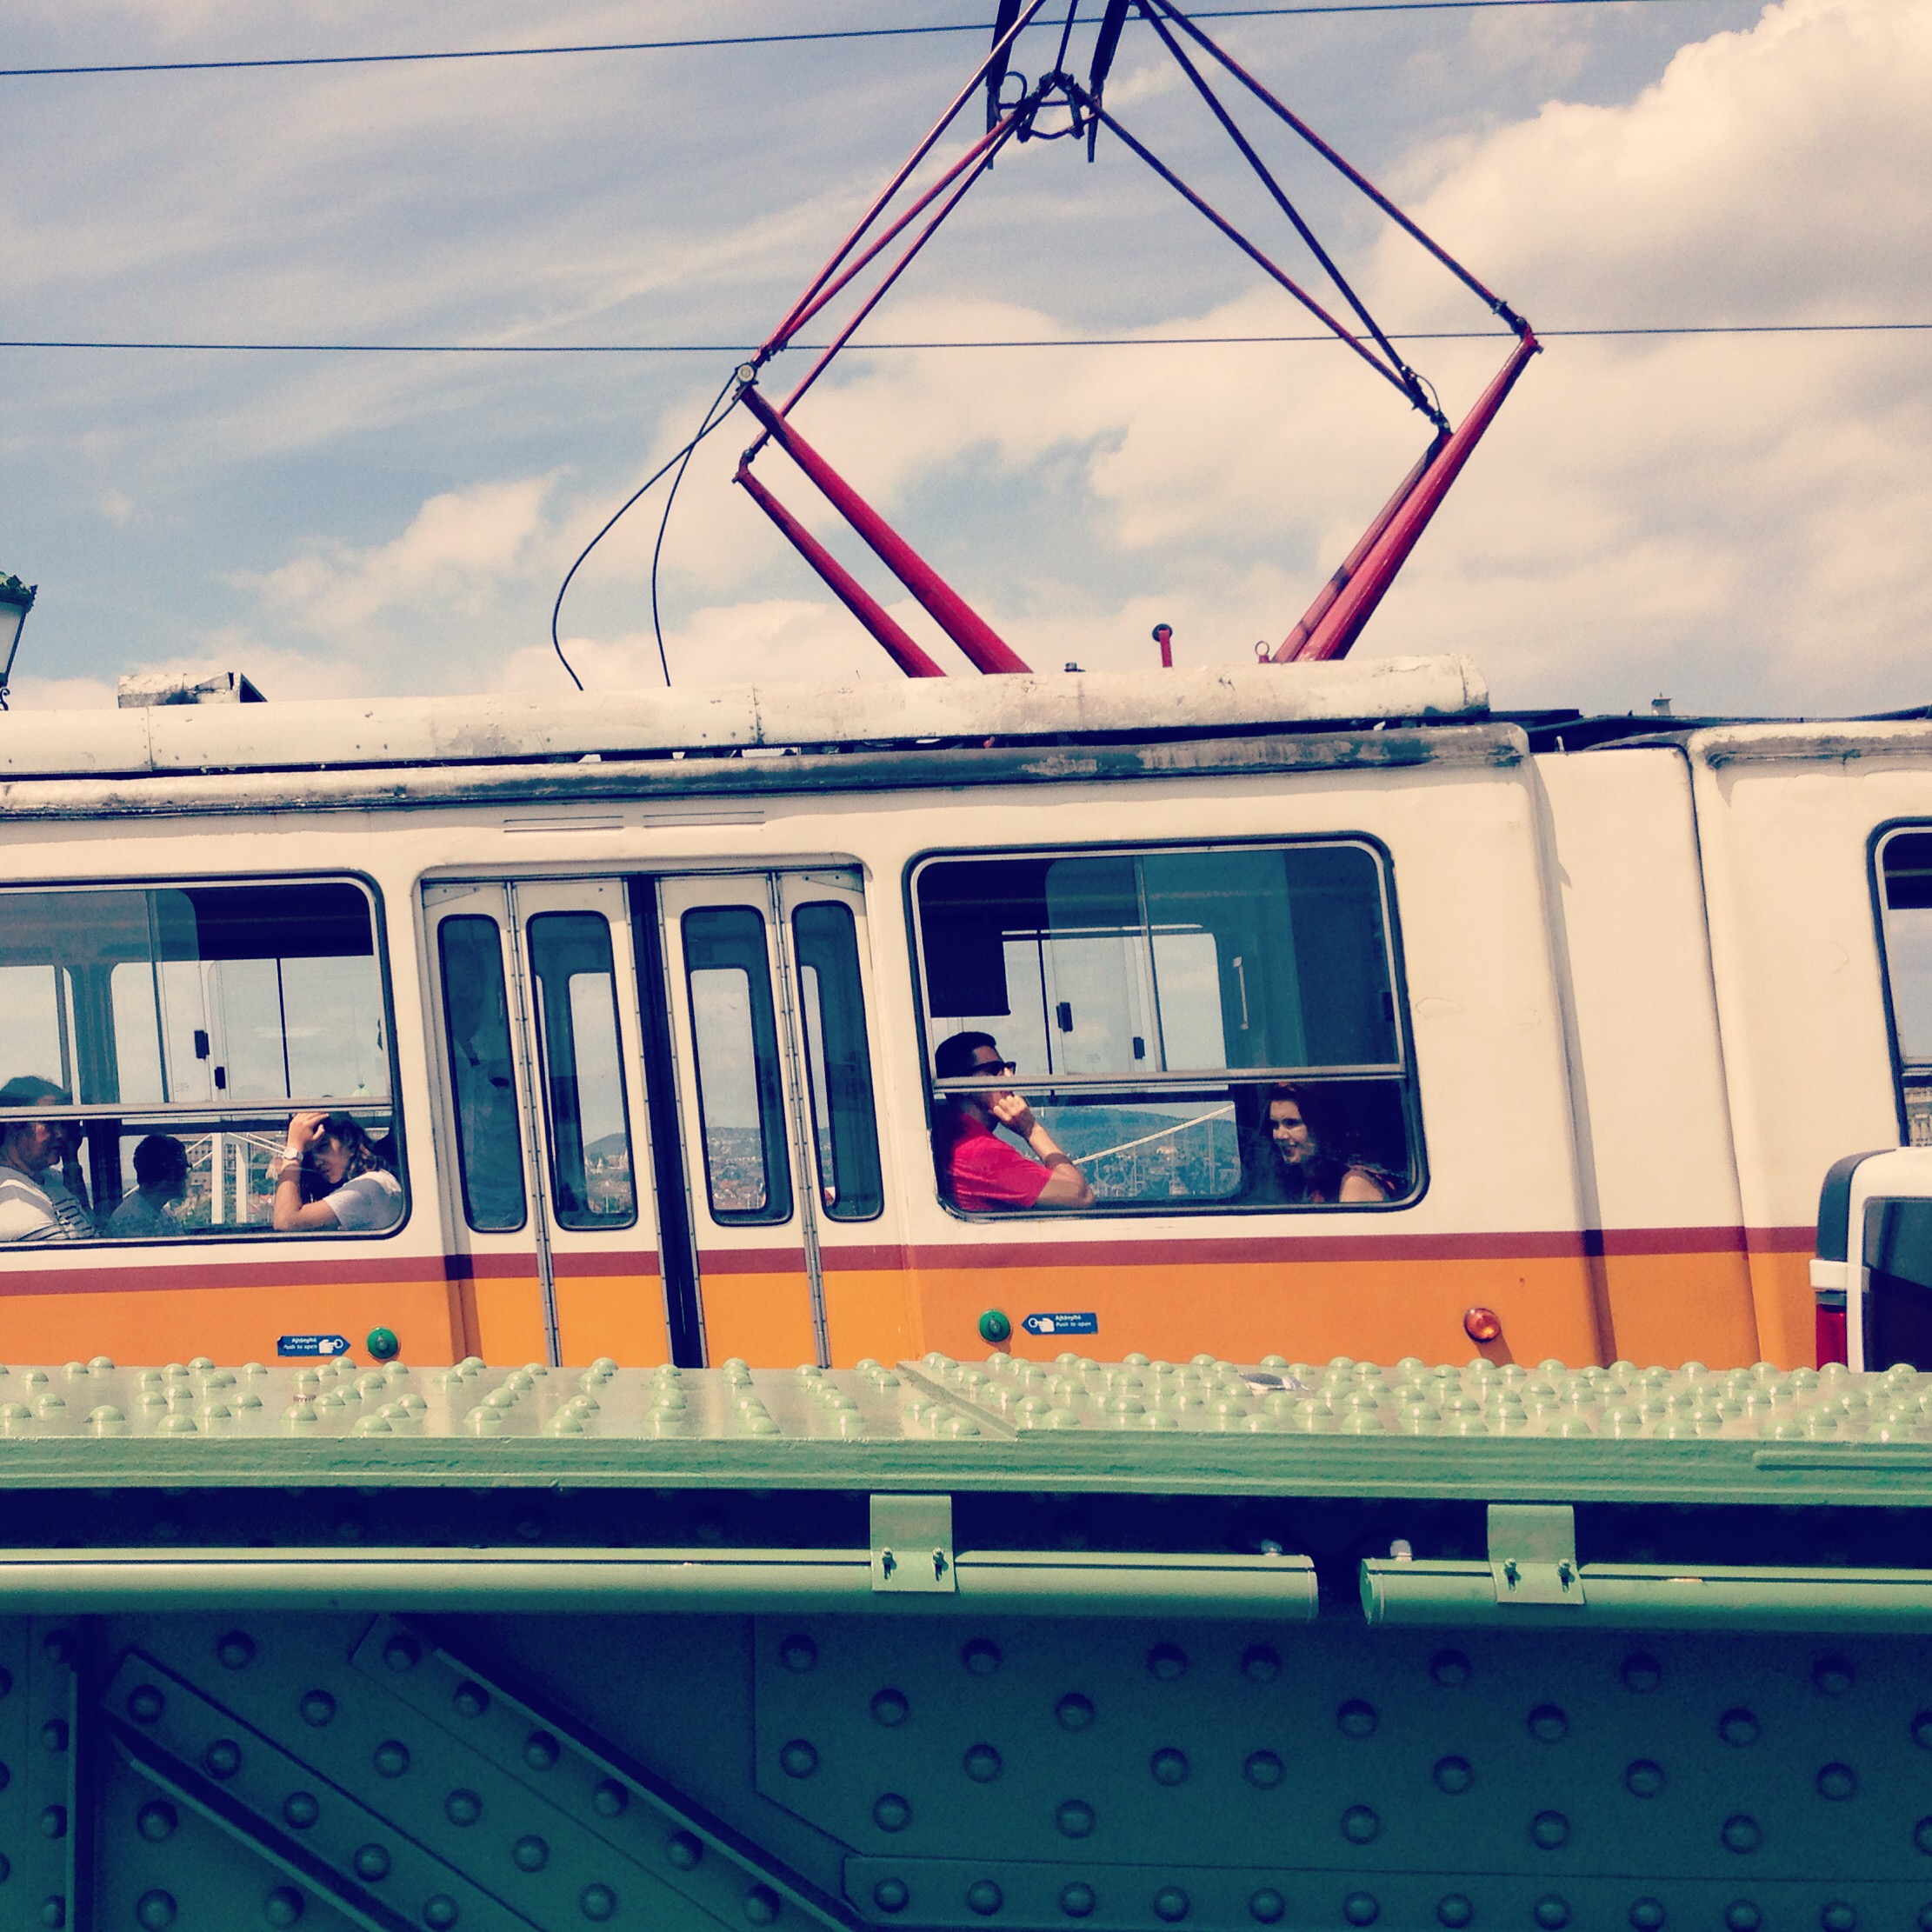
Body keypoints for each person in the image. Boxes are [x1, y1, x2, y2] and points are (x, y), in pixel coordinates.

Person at [933, 1032, 1094, 1212]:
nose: (1009, 1077)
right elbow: (1081, 1196)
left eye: (1008, 1067)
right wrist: (1031, 1129)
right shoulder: (979, 1153)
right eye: (995, 1070)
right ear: (962, 1085)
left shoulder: (950, 1134)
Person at [270, 1109, 403, 1233]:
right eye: (309, 1157)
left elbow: (285, 1222)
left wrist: (293, 1149)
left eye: (323, 1147)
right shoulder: (374, 1182)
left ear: (347, 1139)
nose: (317, 1163)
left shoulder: (369, 1187)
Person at [0, 1075, 97, 1242]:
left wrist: (71, 1158)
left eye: (63, 1124)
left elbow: (88, 1223)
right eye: (49, 1123)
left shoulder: (50, 1180)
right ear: (14, 1125)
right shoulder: (16, 1203)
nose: (61, 1134)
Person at [1266, 1083, 1394, 1204]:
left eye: (1291, 1123)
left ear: (1321, 1127)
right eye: (1275, 1125)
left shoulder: (1355, 1183)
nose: (1279, 1136)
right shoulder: (1305, 1183)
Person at [107, 1134, 190, 1238]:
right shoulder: (131, 1223)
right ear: (169, 1173)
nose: (186, 1176)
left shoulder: (164, 1215)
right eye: (183, 1169)